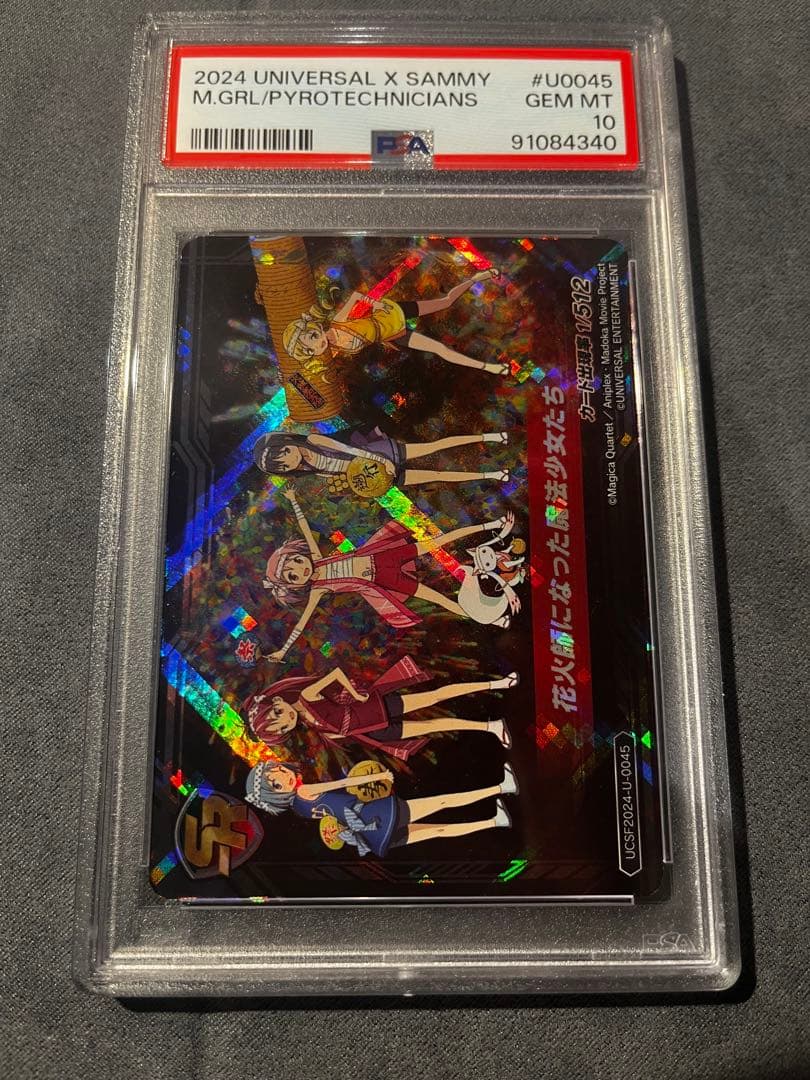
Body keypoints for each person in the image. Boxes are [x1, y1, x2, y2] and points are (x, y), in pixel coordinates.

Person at [262, 485, 516, 661]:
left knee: (436, 542)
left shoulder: (317, 558)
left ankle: (491, 524)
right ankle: (490, 619)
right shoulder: (318, 590)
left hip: (383, 556)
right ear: (295, 586)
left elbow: (305, 527)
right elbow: (302, 623)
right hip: (383, 579)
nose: (300, 569)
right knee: (438, 598)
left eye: (296, 561)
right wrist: (283, 651)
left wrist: (293, 499)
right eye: (293, 576)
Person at [243, 655, 518, 762]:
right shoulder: (310, 725)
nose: (286, 719)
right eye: (282, 727)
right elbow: (339, 728)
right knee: (432, 727)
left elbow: (336, 673)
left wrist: (355, 695)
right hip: (374, 732)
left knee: (433, 697)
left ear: (277, 701)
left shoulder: (306, 696)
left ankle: (497, 683)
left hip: (374, 708)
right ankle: (490, 727)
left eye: (277, 714)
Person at [245, 759, 519, 857]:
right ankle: (501, 788)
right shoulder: (304, 791)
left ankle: (496, 821)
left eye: (278, 771)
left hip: (372, 836)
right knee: (443, 802)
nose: (282, 776)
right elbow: (345, 783)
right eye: (275, 784)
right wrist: (378, 776)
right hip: (377, 814)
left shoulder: (300, 809)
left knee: (438, 830)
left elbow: (333, 824)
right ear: (275, 796)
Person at [282, 268, 509, 376]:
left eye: (313, 336)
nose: (318, 344)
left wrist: (376, 304)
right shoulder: (332, 352)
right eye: (311, 348)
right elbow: (306, 372)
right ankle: (489, 367)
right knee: (439, 349)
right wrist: (286, 377)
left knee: (445, 302)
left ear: (315, 327)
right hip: (392, 335)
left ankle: (477, 277)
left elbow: (356, 297)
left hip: (390, 314)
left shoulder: (337, 322)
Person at [252, 427, 510, 489]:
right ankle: (492, 474)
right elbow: (347, 476)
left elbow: (351, 450)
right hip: (376, 477)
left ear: (287, 440)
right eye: (283, 466)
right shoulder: (312, 470)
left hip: (379, 454)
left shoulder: (313, 441)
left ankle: (490, 436)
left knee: (435, 446)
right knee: (437, 476)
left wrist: (382, 460)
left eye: (284, 452)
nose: (290, 460)